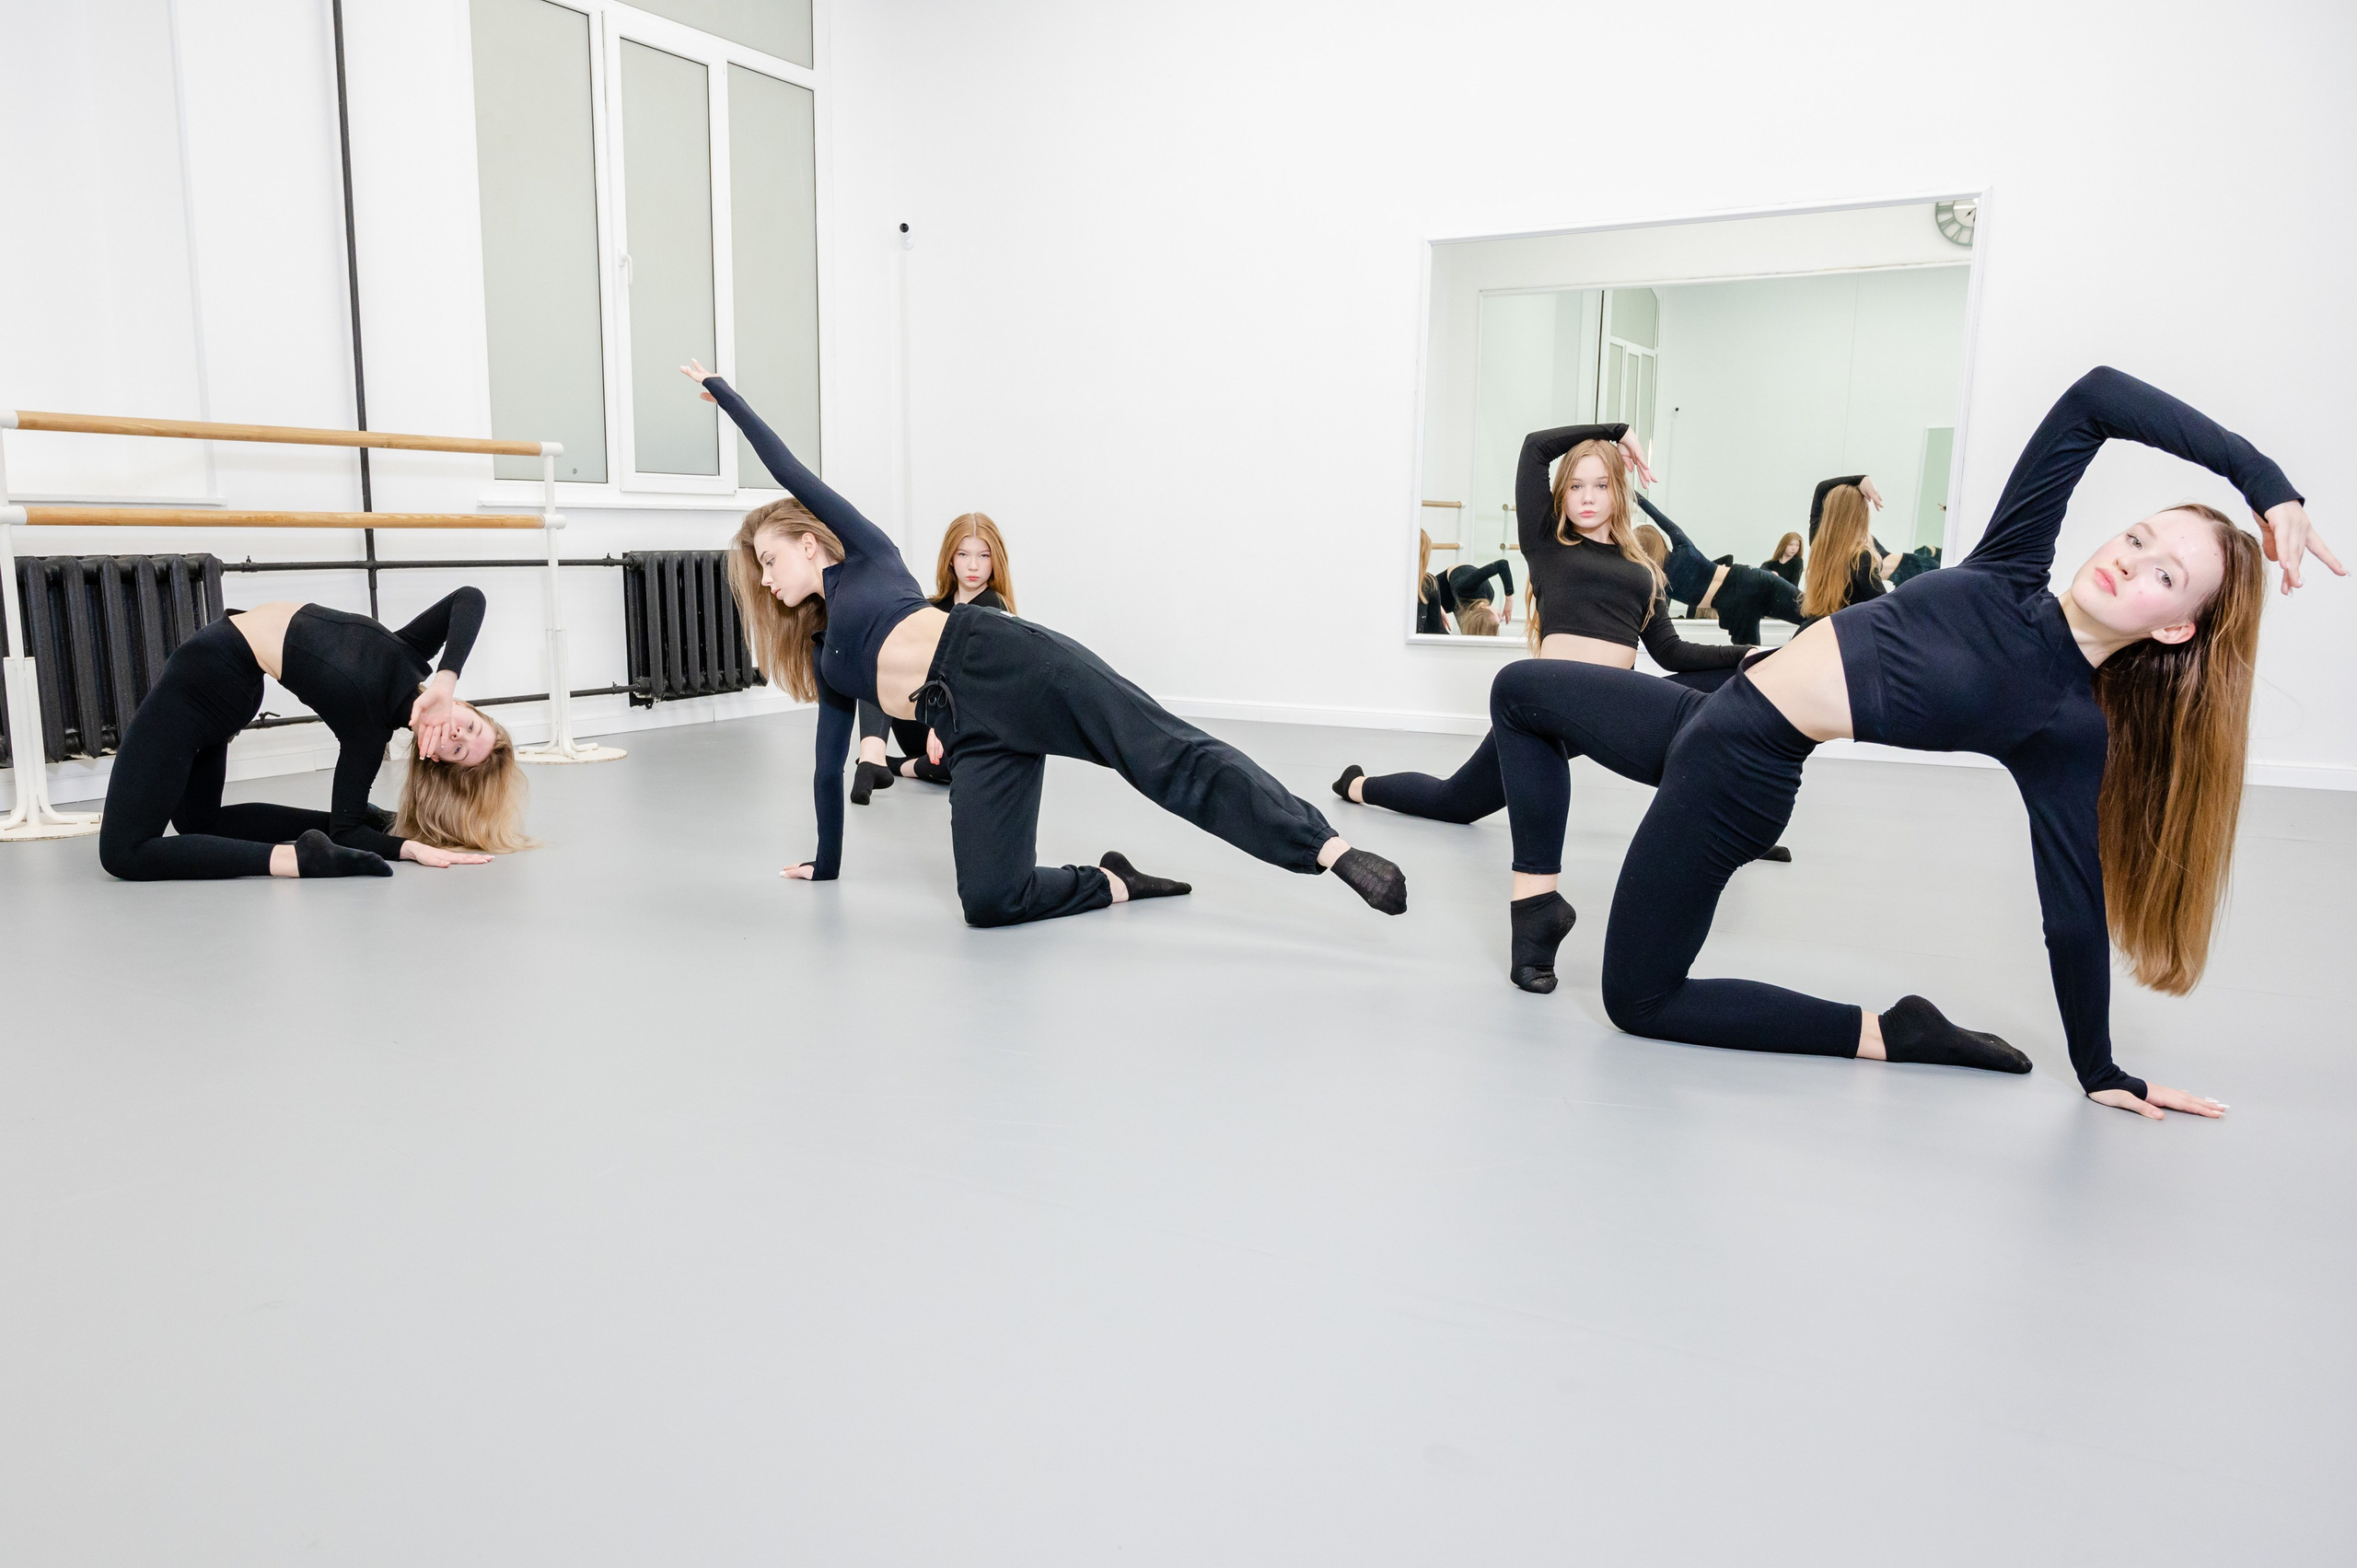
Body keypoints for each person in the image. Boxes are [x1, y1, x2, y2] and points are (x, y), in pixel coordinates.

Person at [1488, 366, 2339, 1118]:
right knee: (1520, 691)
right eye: (2138, 536)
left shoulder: (2063, 724)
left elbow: (2071, 908)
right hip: (1703, 711)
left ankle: (1888, 1031)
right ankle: (1539, 903)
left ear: (2180, 627)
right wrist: (2260, 479)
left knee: (1638, 999)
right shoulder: (2011, 565)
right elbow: (2096, 398)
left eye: (2164, 575)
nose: (2129, 560)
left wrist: (2099, 1066)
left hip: (1735, 775)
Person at [685, 359, 1407, 926]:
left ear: (809, 544)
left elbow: (787, 468)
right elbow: (826, 765)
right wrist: (827, 861)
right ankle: (1115, 881)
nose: (768, 579)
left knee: (1158, 750)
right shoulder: (826, 656)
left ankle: (1327, 848)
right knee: (990, 901)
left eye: (770, 561)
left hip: (1003, 659)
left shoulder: (869, 557)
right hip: (972, 735)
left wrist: (727, 395)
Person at [1333, 422, 1756, 833]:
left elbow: (1671, 653)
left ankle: (1739, 834)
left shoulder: (1644, 570)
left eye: (1601, 485)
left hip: (1615, 703)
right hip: (1549, 703)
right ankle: (1359, 786)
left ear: (1618, 491)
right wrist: (1617, 431)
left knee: (1733, 683)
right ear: (1562, 494)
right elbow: (1535, 447)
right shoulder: (1546, 544)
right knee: (1454, 801)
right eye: (1576, 486)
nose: (1587, 497)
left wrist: (1748, 655)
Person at [97, 591, 524, 879]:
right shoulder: (410, 652)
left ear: (435, 756)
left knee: (123, 852)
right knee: (197, 823)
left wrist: (408, 849)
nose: (456, 732)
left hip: (207, 679)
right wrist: (445, 683)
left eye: (458, 749)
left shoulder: (368, 733)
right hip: (233, 680)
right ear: (465, 706)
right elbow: (470, 597)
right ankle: (380, 818)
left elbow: (345, 833)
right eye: (468, 727)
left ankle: (293, 859)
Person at [852, 512, 1017, 801]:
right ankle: (872, 756)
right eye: (963, 554)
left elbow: (982, 684)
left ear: (995, 561)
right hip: (919, 724)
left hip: (962, 725)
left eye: (984, 555)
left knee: (980, 767)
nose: (974, 566)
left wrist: (944, 723)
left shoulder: (994, 607)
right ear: (950, 559)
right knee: (878, 665)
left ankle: (897, 766)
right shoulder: (931, 606)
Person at [1636, 495, 1804, 645]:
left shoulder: (1657, 582)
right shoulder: (1683, 548)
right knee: (1814, 612)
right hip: (1747, 577)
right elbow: (1661, 518)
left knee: (1750, 659)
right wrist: (1634, 496)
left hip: (1731, 604)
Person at [1798, 482, 1901, 621]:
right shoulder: (1861, 557)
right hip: (1848, 634)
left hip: (1819, 626)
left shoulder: (1819, 545)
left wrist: (1861, 479)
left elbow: (1821, 489)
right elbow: (1884, 609)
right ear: (1860, 515)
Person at [1446, 559, 1515, 636]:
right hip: (1454, 594)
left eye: (1498, 616)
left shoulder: (1467, 587)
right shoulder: (1487, 597)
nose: (1501, 618)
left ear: (1484, 611)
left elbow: (1502, 564)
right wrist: (1509, 598)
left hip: (1444, 593)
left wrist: (1509, 598)